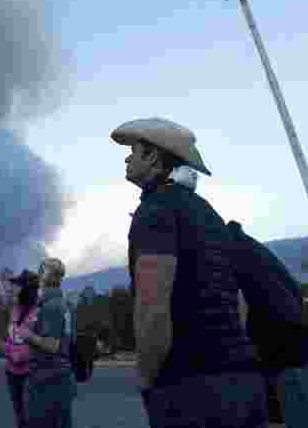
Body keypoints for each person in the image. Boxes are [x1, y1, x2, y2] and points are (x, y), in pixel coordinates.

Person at [112, 117, 267, 428]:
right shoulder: (208, 213)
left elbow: (152, 304)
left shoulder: (155, 211)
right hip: (244, 382)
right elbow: (239, 301)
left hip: (191, 389)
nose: (127, 157)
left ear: (153, 157)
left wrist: (148, 375)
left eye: (134, 150)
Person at [226, 220, 308, 427]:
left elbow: (241, 314)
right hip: (307, 371)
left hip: (301, 375)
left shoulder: (232, 258)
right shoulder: (244, 249)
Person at [22, 257, 76, 428]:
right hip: (61, 377)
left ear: (47, 276)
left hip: (47, 379)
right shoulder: (64, 303)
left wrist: (27, 335)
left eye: (41, 271)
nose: (38, 275)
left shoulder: (51, 306)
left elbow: (52, 345)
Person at [3, 269, 41, 428]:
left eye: (19, 286)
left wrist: (24, 355)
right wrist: (8, 351)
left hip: (31, 372)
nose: (15, 289)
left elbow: (44, 344)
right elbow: (12, 337)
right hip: (12, 371)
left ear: (27, 289)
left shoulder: (41, 311)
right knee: (20, 417)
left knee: (31, 416)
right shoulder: (15, 309)